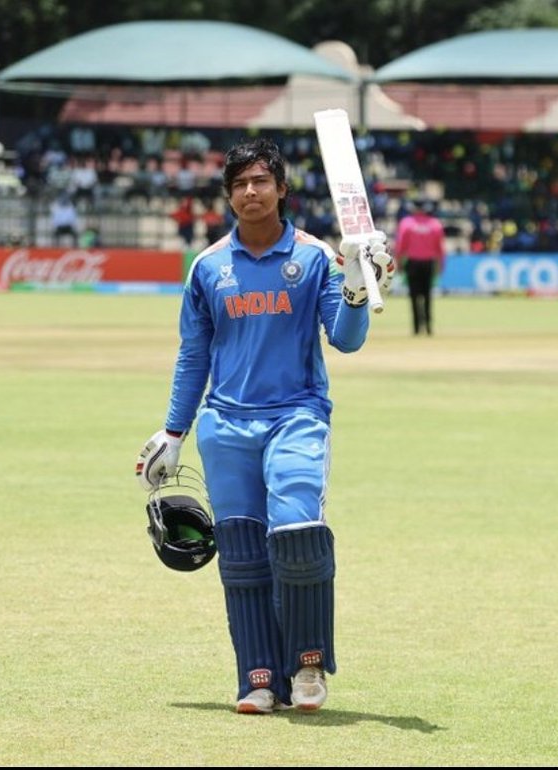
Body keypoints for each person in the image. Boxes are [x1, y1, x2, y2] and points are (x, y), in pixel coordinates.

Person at [135, 137, 394, 715]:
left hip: (297, 416)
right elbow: (192, 354)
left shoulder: (316, 256)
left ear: (281, 188)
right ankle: (257, 677)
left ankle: (305, 667)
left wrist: (355, 288)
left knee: (298, 531)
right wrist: (174, 431)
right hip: (225, 425)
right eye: (239, 184)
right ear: (229, 195)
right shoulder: (208, 268)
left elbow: (346, 340)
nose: (251, 192)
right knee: (244, 554)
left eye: (261, 181)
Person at [393, 198, 447, 335]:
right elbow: (440, 249)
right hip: (428, 264)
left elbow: (400, 247)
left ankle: (417, 328)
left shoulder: (406, 224)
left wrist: (398, 263)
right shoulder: (435, 224)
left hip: (413, 264)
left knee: (414, 296)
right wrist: (441, 265)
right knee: (428, 296)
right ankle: (428, 327)